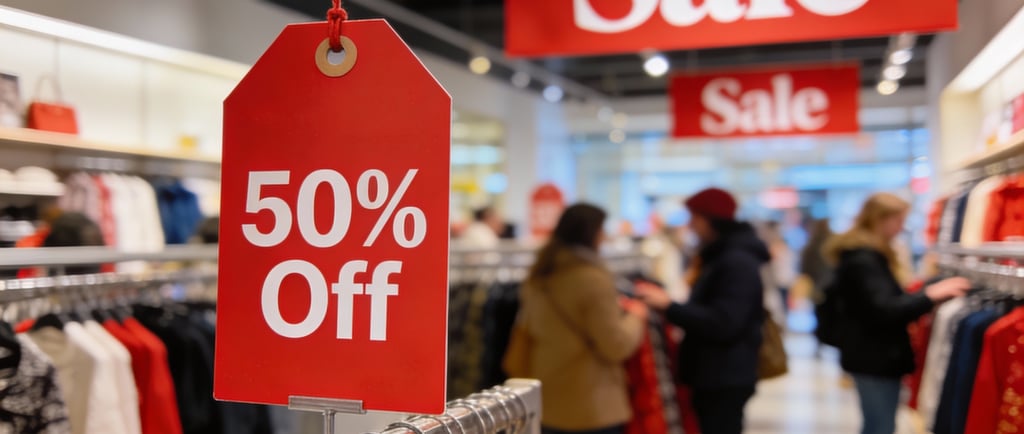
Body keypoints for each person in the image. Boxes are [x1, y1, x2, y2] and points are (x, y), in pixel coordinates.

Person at [824, 193, 970, 434]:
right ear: (880, 219)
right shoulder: (864, 259)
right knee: (880, 425)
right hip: (874, 356)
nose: (902, 227)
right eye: (899, 220)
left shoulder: (864, 255)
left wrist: (925, 290)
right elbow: (884, 309)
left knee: (877, 423)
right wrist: (929, 296)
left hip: (870, 354)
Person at [635, 188, 767, 434]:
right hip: (719, 373)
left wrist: (670, 307)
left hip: (724, 376)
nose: (690, 226)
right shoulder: (722, 256)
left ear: (710, 219)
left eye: (694, 218)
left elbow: (725, 322)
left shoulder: (735, 261)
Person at [519, 203, 648, 434]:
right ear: (591, 234)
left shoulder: (539, 275)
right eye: (602, 230)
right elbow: (615, 345)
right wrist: (636, 317)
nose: (605, 236)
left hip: (548, 396)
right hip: (591, 401)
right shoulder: (592, 279)